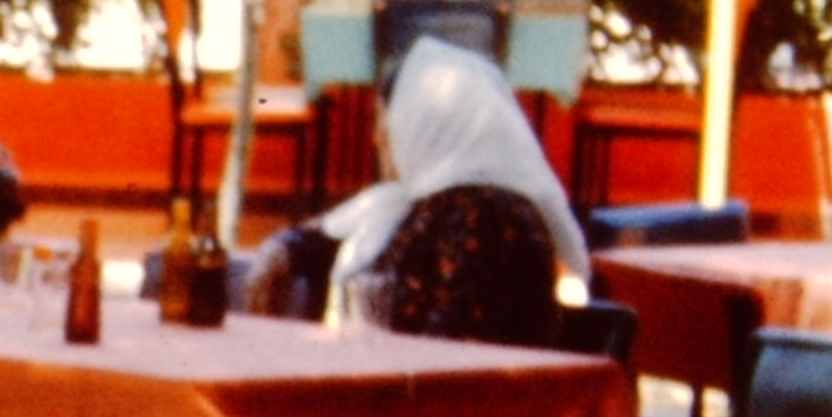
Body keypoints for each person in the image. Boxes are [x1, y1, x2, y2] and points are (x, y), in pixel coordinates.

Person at [236, 34, 586, 323]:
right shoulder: (419, 204)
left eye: (384, 121)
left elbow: (450, 350)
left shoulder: (484, 221)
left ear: (421, 122)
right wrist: (283, 249)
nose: (377, 139)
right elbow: (331, 236)